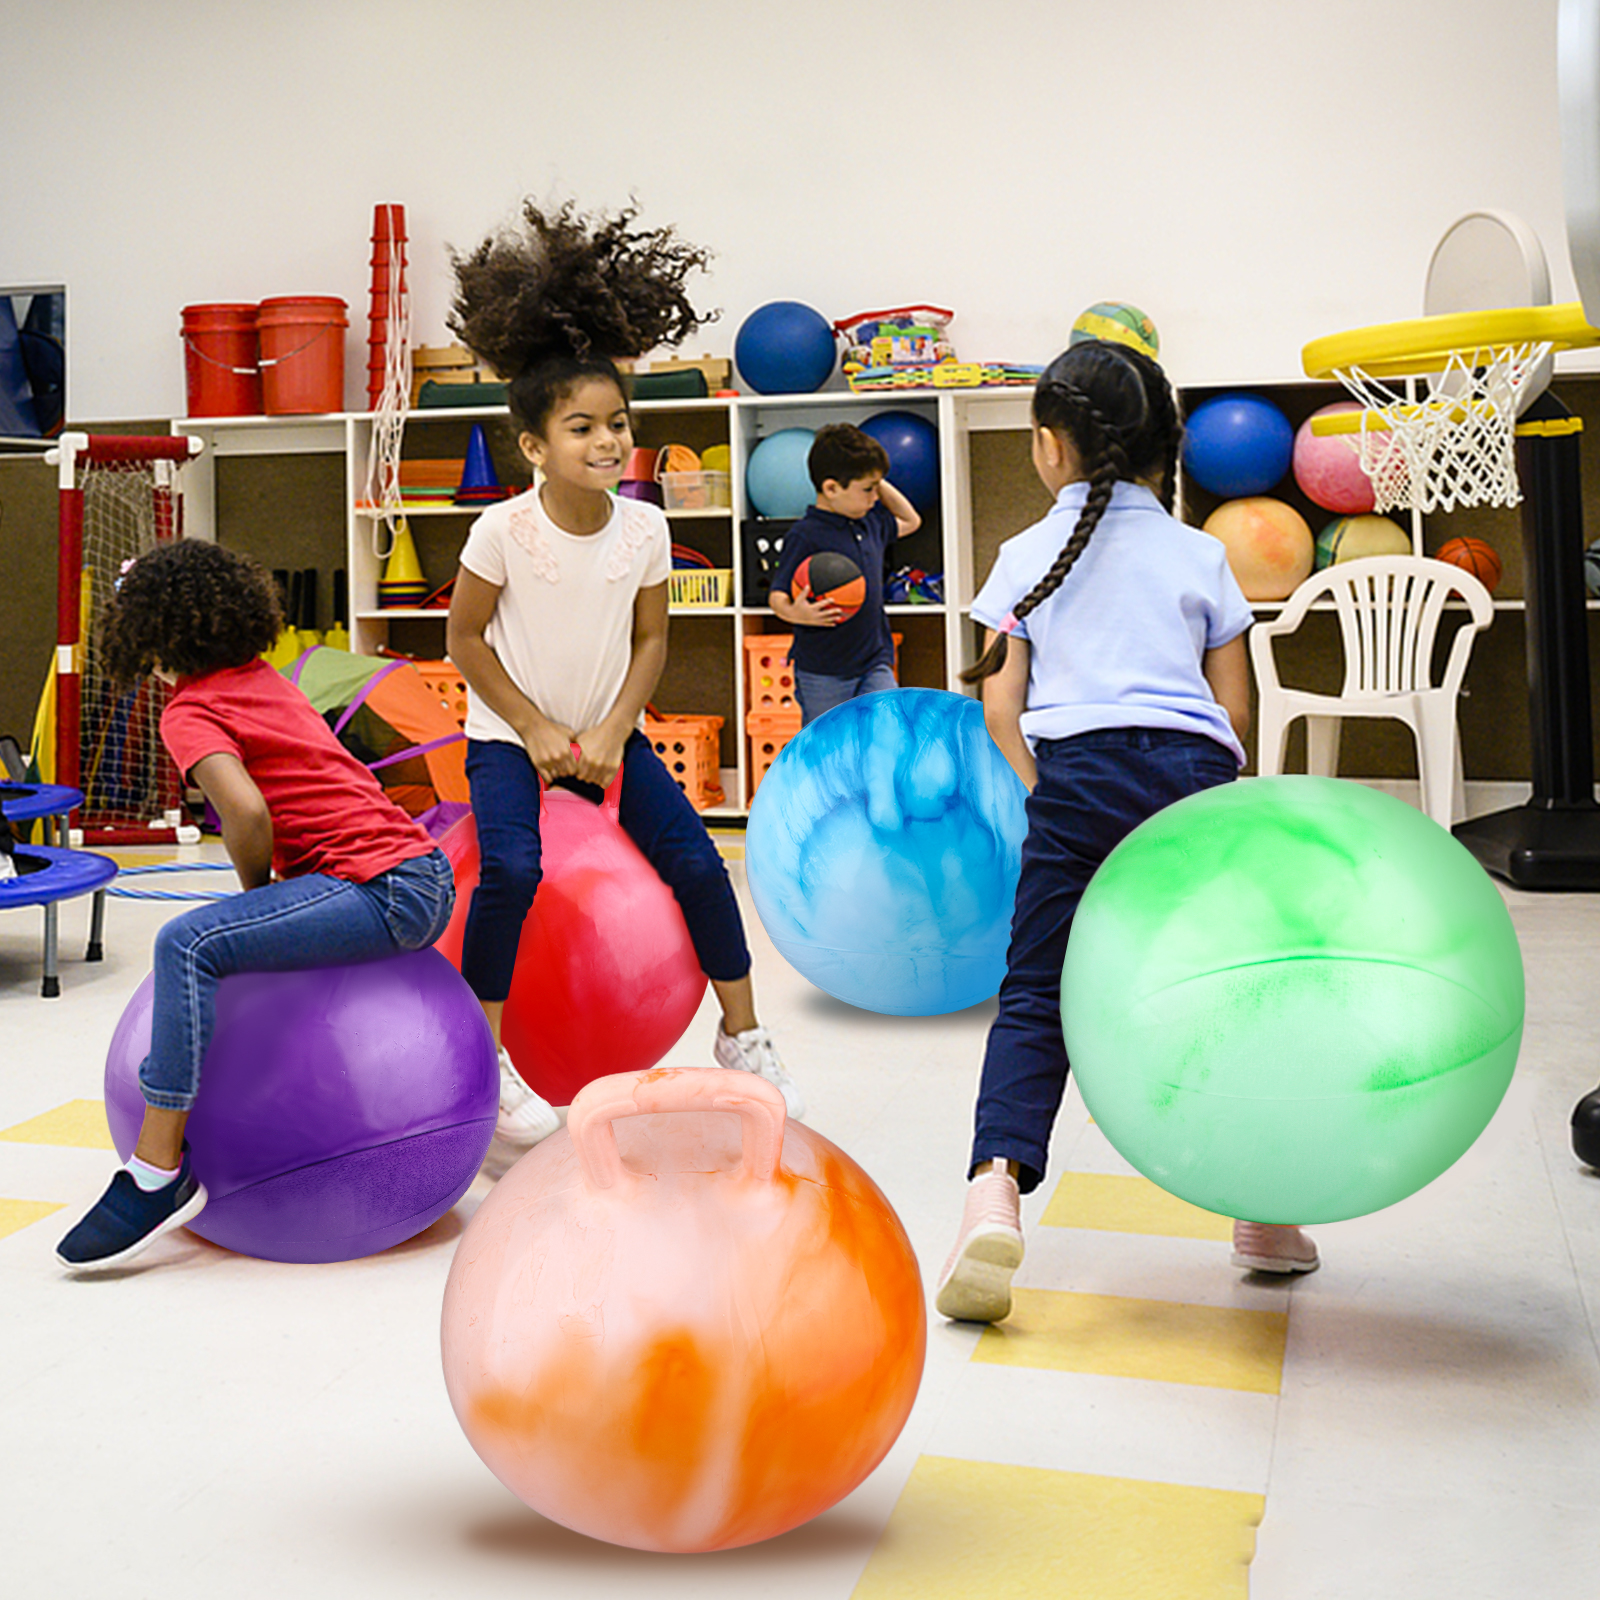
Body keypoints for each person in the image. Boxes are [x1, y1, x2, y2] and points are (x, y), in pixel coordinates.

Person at [934, 341, 1319, 1324]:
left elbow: (1000, 709)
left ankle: (992, 1195)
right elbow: (1236, 714)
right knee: (1228, 991)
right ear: (1166, 449)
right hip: (1188, 786)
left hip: (1075, 778)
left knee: (1035, 995)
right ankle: (1263, 1213)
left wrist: (1051, 796)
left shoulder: (1025, 556)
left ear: (1048, 445)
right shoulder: (1201, 554)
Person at [445, 199, 802, 1170]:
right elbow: (464, 639)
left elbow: (652, 639)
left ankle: (744, 1036)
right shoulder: (501, 530)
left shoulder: (645, 527)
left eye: (616, 424)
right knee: (511, 871)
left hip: (610, 736)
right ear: (533, 445)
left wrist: (611, 730)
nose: (606, 442)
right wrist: (533, 728)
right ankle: (486, 1059)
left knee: (700, 864)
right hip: (508, 741)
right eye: (580, 428)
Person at [57, 540, 456, 1273]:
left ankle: (155, 1173)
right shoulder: (262, 680)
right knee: (210, 940)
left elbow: (244, 812)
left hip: (381, 887)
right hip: (421, 873)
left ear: (145, 635)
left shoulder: (189, 709)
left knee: (186, 943)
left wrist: (257, 896)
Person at [767, 423, 921, 724]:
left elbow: (911, 520)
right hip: (823, 671)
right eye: (867, 490)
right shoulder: (805, 534)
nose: (874, 498)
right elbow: (777, 596)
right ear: (831, 489)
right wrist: (798, 614)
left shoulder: (871, 523)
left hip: (875, 661)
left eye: (876, 488)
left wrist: (875, 478)